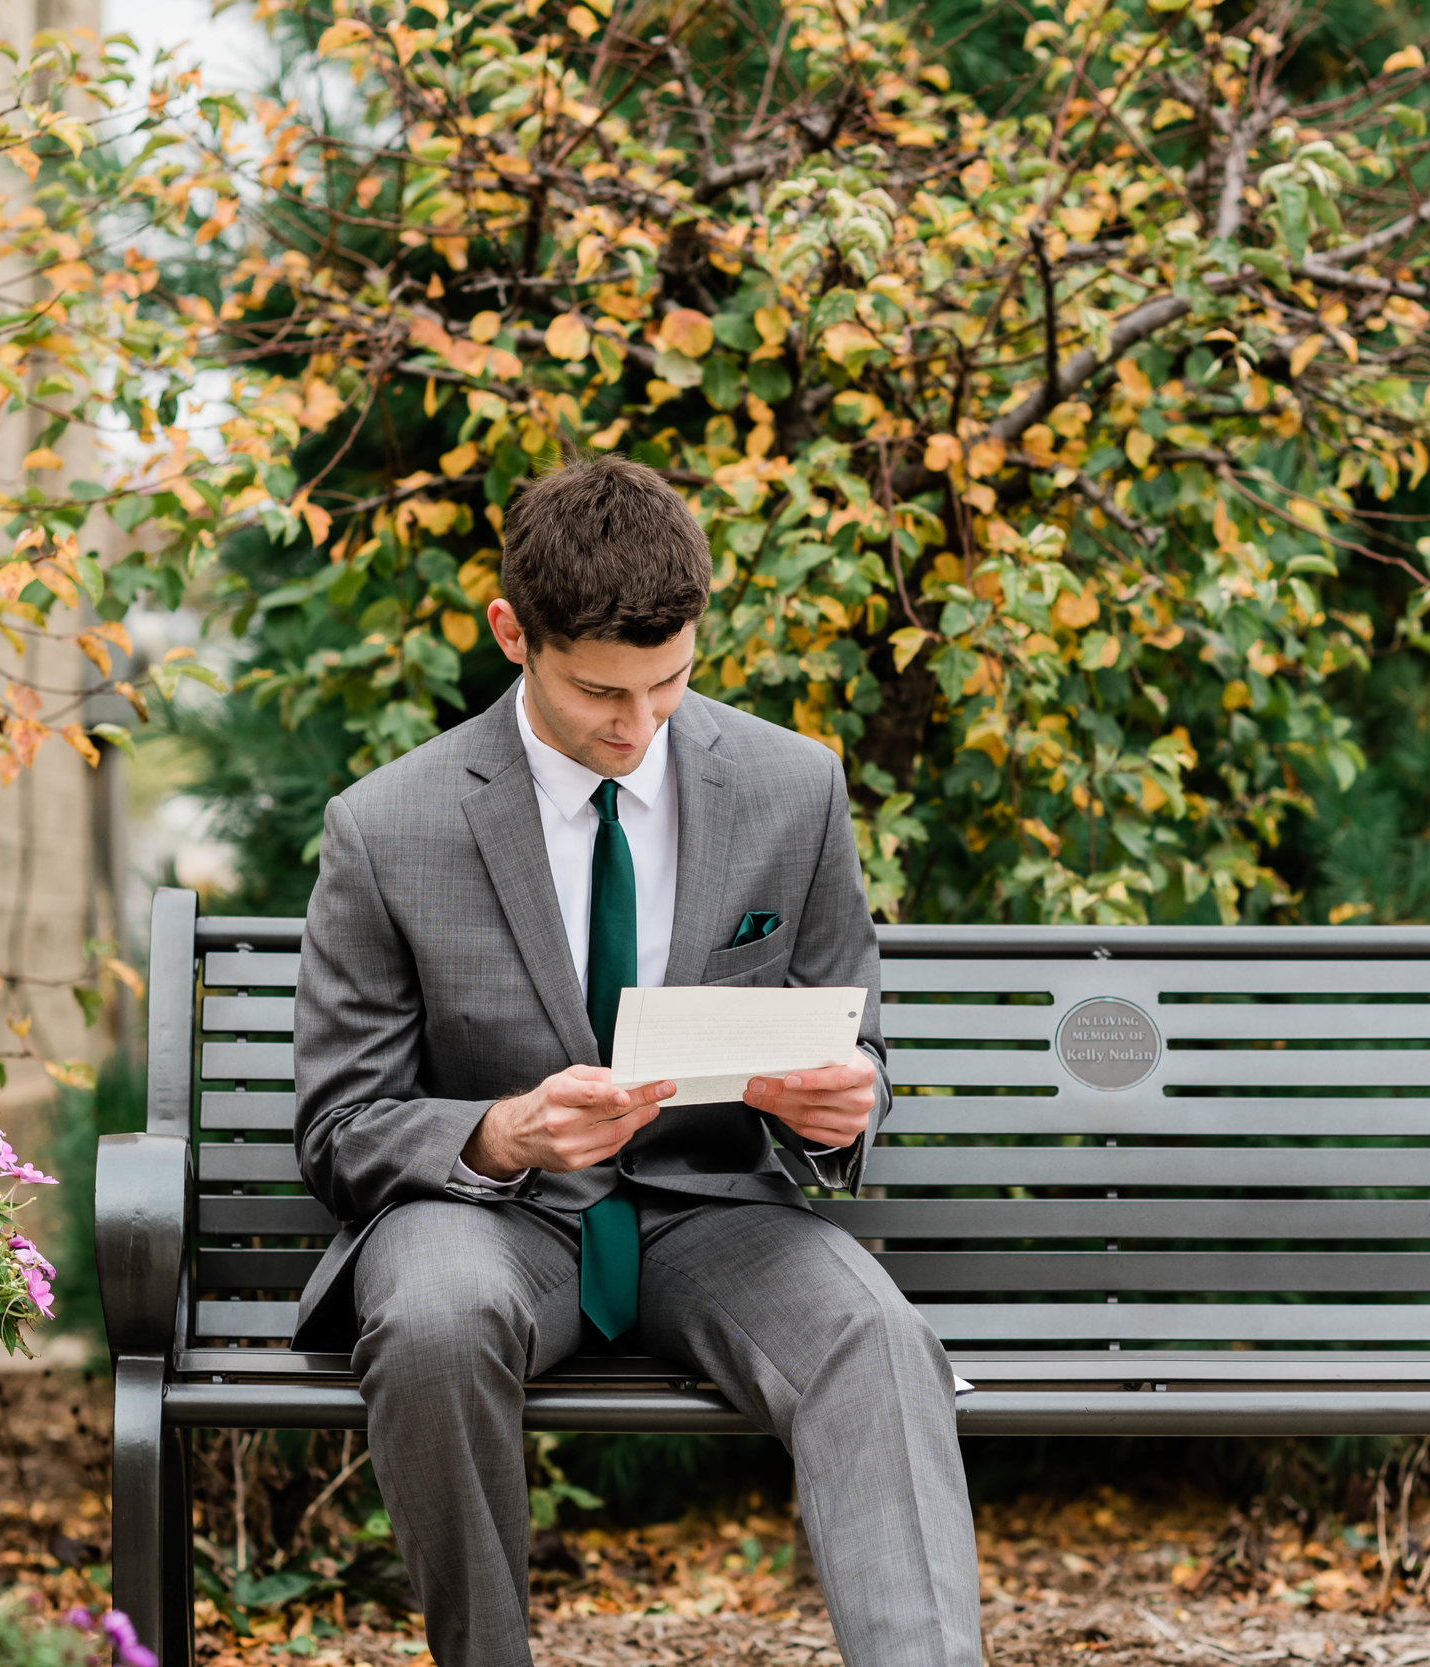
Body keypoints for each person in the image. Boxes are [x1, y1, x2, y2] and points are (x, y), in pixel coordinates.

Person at [290, 453, 982, 1666]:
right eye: (600, 691)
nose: (637, 723)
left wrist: (837, 1102)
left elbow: (854, 1032)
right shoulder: (385, 825)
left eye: (668, 682)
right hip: (493, 1218)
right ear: (513, 632)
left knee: (877, 1337)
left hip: (713, 1211)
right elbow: (341, 1124)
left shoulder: (792, 786)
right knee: (434, 1321)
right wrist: (500, 1129)